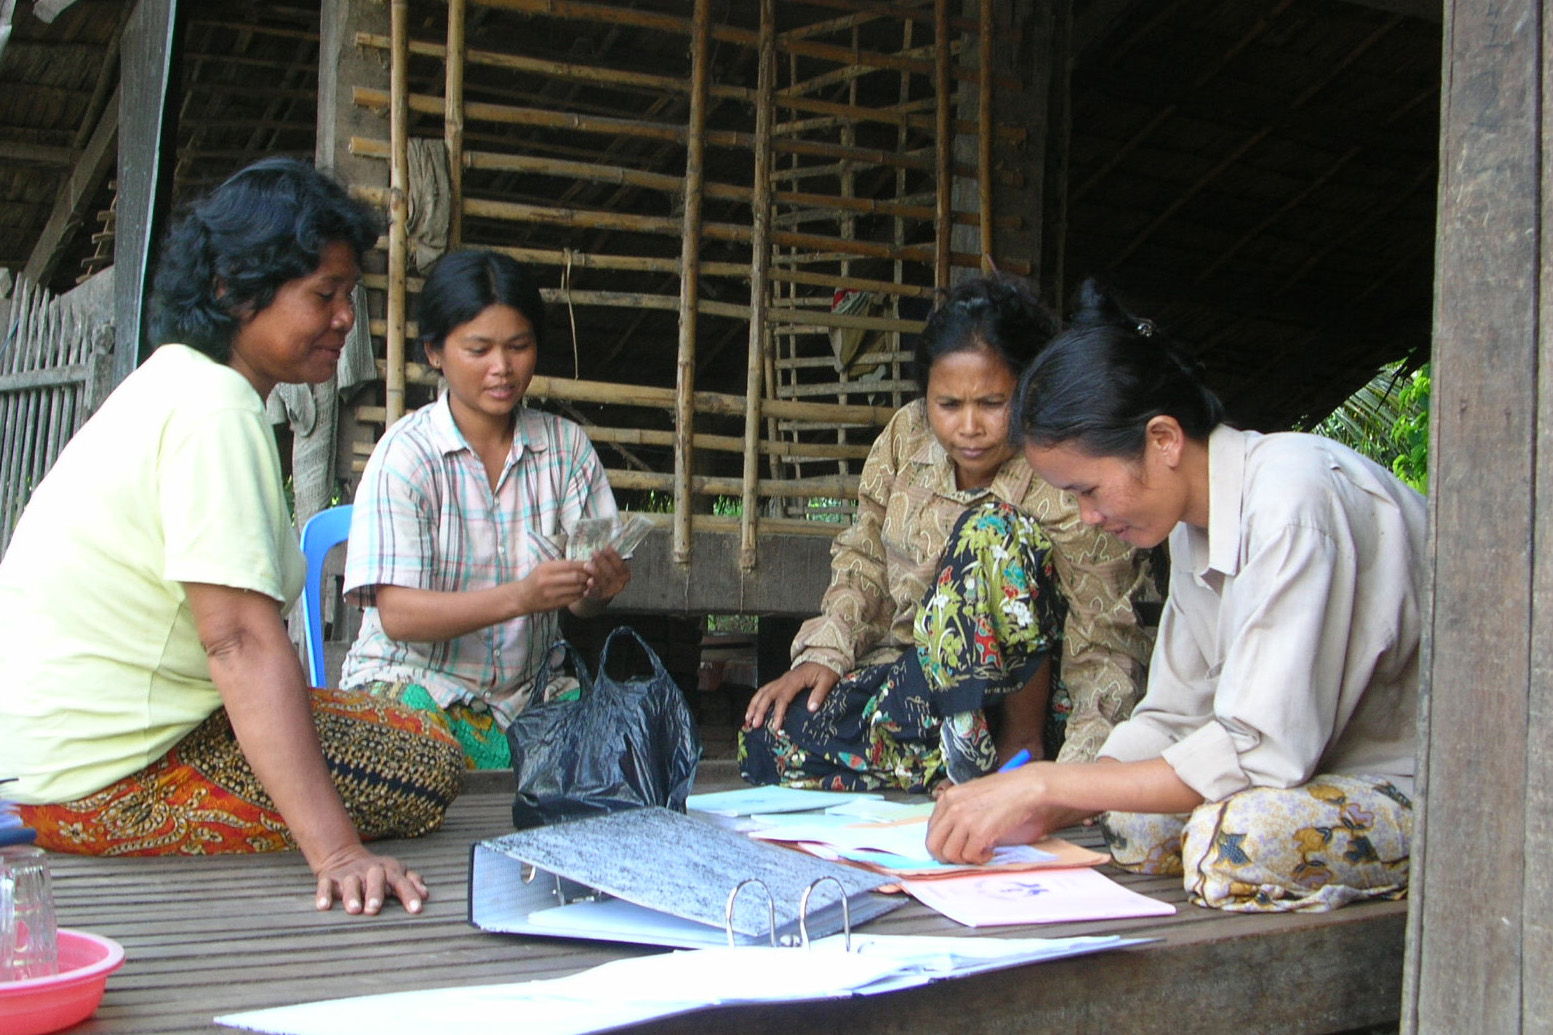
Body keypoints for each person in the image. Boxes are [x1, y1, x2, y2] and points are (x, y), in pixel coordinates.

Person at [0, 157, 464, 915]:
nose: (346, 318)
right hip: (94, 783)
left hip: (44, 757)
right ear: (232, 290)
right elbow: (240, 643)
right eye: (324, 294)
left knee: (406, 727)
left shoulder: (178, 379)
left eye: (349, 294)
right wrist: (337, 850)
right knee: (423, 761)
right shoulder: (215, 410)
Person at [927, 280, 1424, 913]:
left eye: (1088, 490)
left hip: (1418, 786)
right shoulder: (1195, 530)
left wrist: (1047, 781)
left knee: (1238, 841)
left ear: (1162, 439)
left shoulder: (1292, 502)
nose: (1086, 517)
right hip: (1307, 777)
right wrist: (1048, 798)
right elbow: (1171, 720)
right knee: (1127, 822)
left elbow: (1257, 750)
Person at [740, 275, 1153, 793]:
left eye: (993, 403)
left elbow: (1105, 642)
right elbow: (864, 558)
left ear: (1028, 392)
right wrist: (825, 652)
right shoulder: (905, 438)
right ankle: (961, 766)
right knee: (773, 739)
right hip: (930, 682)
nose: (969, 427)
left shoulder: (1066, 476)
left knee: (990, 533)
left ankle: (1014, 756)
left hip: (1040, 708)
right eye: (949, 405)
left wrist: (1074, 781)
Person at [338, 249, 630, 769]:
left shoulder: (566, 449)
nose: (502, 368)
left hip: (530, 697)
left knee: (615, 756)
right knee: (421, 751)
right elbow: (399, 615)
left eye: (518, 346)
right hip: (417, 689)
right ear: (434, 352)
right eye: (479, 349)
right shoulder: (406, 456)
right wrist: (521, 596)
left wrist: (594, 591)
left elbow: (585, 607)